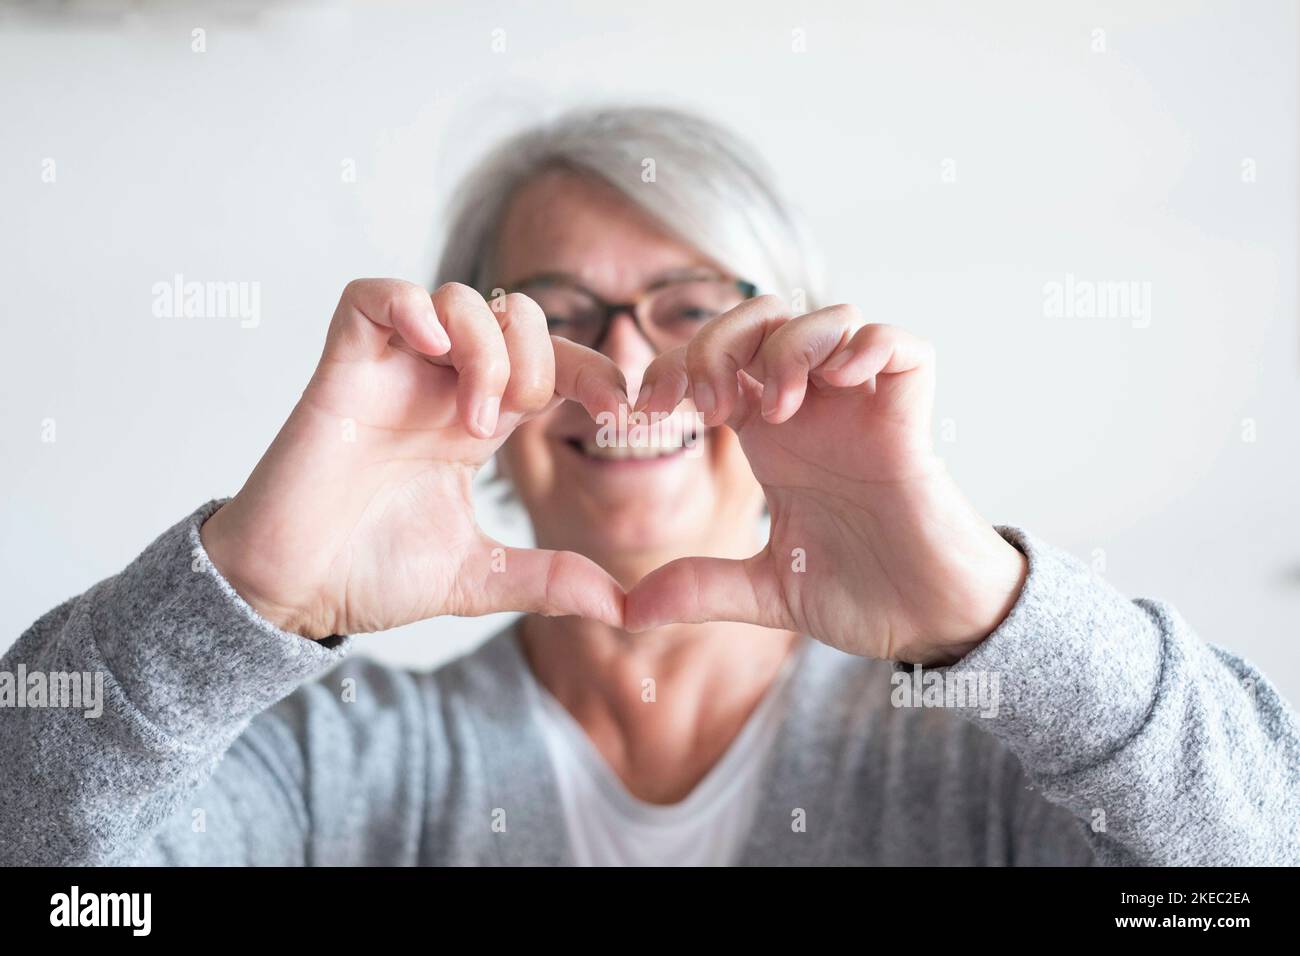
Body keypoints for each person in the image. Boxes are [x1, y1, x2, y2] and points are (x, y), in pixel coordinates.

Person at [2, 106, 1297, 866]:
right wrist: (248, 589)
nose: (626, 363)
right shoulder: (347, 775)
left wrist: (989, 611)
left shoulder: (980, 758)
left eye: (688, 309)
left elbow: (1249, 863)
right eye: (559, 316)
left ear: (796, 351)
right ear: (483, 399)